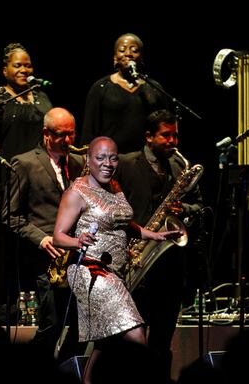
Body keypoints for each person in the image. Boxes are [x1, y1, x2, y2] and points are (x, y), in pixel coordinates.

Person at [52, 136, 182, 384]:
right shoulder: (76, 192)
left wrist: (153, 234)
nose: (107, 163)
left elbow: (124, 222)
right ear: (88, 160)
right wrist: (77, 242)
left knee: (107, 341)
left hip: (114, 272)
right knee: (136, 336)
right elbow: (58, 236)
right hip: (92, 271)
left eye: (112, 158)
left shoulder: (114, 187)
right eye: (100, 158)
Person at [114, 109, 204, 381]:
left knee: (162, 344)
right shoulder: (126, 164)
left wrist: (184, 208)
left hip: (170, 268)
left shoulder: (180, 168)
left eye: (175, 135)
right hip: (135, 264)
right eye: (166, 135)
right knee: (132, 345)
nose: (172, 141)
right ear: (149, 137)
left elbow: (200, 206)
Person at [0, 42, 53, 313]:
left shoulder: (41, 98)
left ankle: (32, 303)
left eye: (27, 65)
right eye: (18, 65)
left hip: (36, 183)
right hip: (3, 179)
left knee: (30, 243)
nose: (24, 69)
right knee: (0, 244)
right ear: (5, 70)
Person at [0, 107, 85, 359]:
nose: (69, 141)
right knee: (51, 324)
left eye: (72, 134)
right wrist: (42, 238)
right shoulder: (24, 163)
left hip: (77, 256)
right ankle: (34, 371)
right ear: (46, 134)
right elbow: (9, 215)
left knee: (84, 326)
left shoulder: (79, 162)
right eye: (62, 135)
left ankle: (64, 369)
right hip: (47, 259)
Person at [80, 33, 168, 154]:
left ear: (141, 57)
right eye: (122, 50)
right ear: (115, 57)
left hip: (146, 161)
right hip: (110, 160)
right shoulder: (100, 87)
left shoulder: (153, 88)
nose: (128, 54)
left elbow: (164, 126)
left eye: (134, 50)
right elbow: (89, 130)